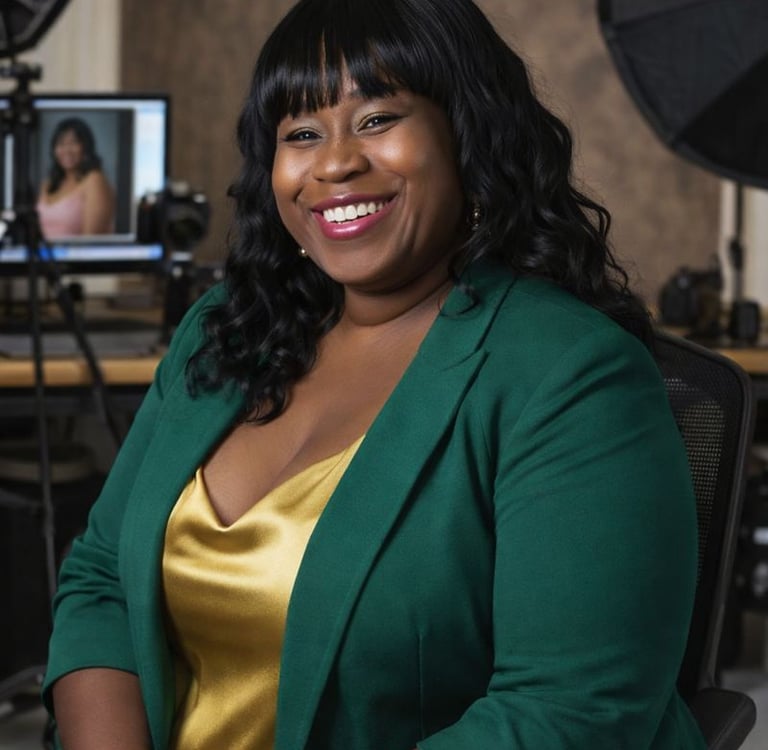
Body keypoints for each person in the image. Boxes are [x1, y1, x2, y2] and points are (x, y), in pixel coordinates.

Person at [42, 0, 706, 747]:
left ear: (467, 133)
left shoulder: (572, 376)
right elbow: (101, 578)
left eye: (377, 119)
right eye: (300, 133)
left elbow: (570, 713)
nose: (333, 163)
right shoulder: (227, 329)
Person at [36, 117, 115, 237]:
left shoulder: (94, 180)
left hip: (75, 255)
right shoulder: (47, 185)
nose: (67, 150)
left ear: (85, 147)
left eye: (73, 143)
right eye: (61, 144)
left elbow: (92, 241)